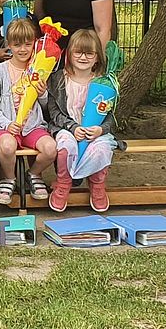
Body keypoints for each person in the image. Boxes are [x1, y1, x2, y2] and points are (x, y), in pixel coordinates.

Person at [0, 18, 56, 205]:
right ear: (8, 44)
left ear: (35, 44)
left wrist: (42, 94)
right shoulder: (0, 70)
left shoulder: (39, 68)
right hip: (6, 126)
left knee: (50, 149)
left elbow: (45, 106)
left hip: (33, 126)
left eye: (27, 44)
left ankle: (33, 174)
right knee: (8, 146)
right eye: (17, 45)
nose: (23, 49)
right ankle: (9, 179)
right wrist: (7, 124)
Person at [47, 29, 117, 213]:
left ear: (97, 57)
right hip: (66, 128)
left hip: (95, 131)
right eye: (78, 52)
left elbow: (110, 116)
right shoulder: (58, 79)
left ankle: (97, 185)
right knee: (65, 146)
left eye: (89, 53)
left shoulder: (104, 83)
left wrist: (101, 130)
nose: (83, 57)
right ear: (69, 54)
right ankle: (63, 183)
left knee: (102, 148)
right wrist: (73, 127)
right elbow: (54, 112)